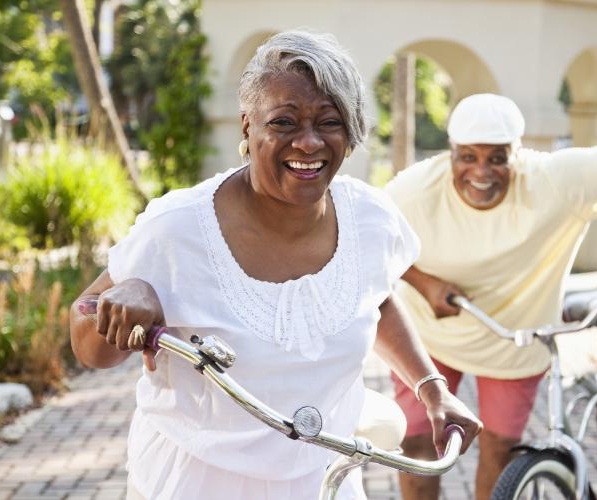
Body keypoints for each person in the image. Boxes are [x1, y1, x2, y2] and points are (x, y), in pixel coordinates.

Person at [69, 31, 481, 500]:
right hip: (195, 481)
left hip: (324, 476)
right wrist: (131, 292)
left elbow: (375, 299)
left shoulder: (370, 218)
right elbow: (90, 349)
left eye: (329, 121)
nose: (308, 143)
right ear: (248, 127)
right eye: (284, 123)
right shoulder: (177, 228)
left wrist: (433, 390)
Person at [384, 93, 597, 500]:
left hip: (516, 340)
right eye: (468, 157)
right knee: (417, 445)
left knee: (498, 451)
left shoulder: (554, 179)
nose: (481, 171)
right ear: (451, 153)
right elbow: (371, 238)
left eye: (497, 158)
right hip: (431, 336)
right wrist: (424, 283)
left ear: (518, 153)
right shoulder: (414, 190)